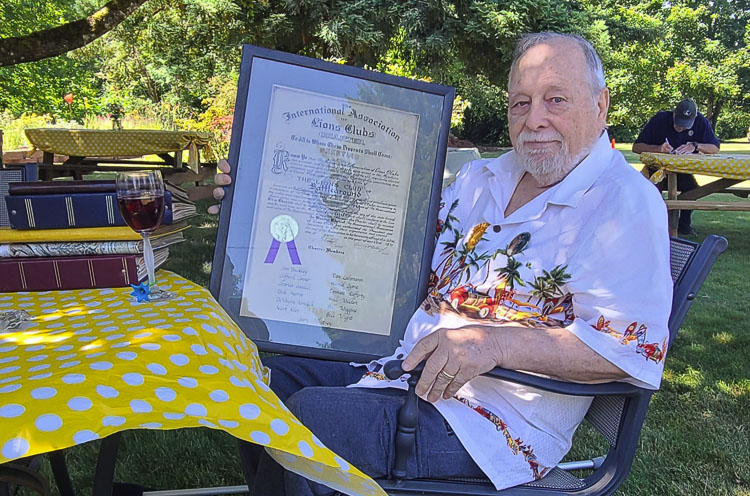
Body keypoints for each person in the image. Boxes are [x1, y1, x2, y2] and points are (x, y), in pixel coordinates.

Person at [211, 32, 672, 494]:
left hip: (491, 420)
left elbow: (628, 351)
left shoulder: (624, 204)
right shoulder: (481, 178)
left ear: (600, 105)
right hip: (401, 368)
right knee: (261, 383)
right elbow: (389, 246)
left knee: (311, 419)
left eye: (555, 100)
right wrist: (261, 197)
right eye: (520, 103)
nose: (535, 120)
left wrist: (493, 345)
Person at [632, 99, 720, 236]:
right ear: (674, 114)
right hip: (657, 170)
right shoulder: (660, 119)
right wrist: (658, 148)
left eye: (685, 126)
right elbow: (636, 147)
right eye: (679, 124)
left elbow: (715, 148)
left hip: (683, 171)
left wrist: (695, 146)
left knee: (693, 191)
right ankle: (650, 226)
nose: (681, 128)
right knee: (651, 191)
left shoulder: (700, 122)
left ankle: (683, 226)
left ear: (694, 118)